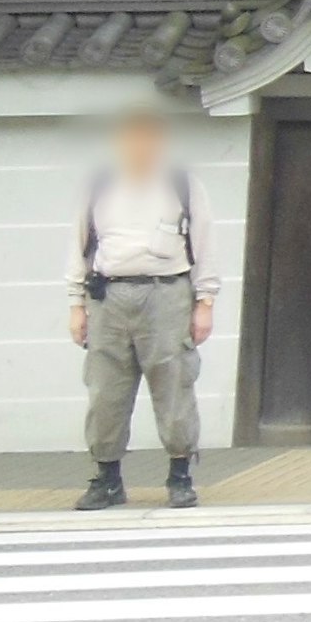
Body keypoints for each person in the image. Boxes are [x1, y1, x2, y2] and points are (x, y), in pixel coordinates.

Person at [69, 104, 217, 510]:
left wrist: (205, 301)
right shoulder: (99, 183)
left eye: (148, 137)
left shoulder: (181, 183)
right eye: (132, 137)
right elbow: (80, 245)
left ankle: (180, 475)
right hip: (108, 295)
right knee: (105, 390)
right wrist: (75, 304)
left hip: (167, 292)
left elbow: (204, 245)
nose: (140, 145)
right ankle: (107, 478)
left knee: (174, 384)